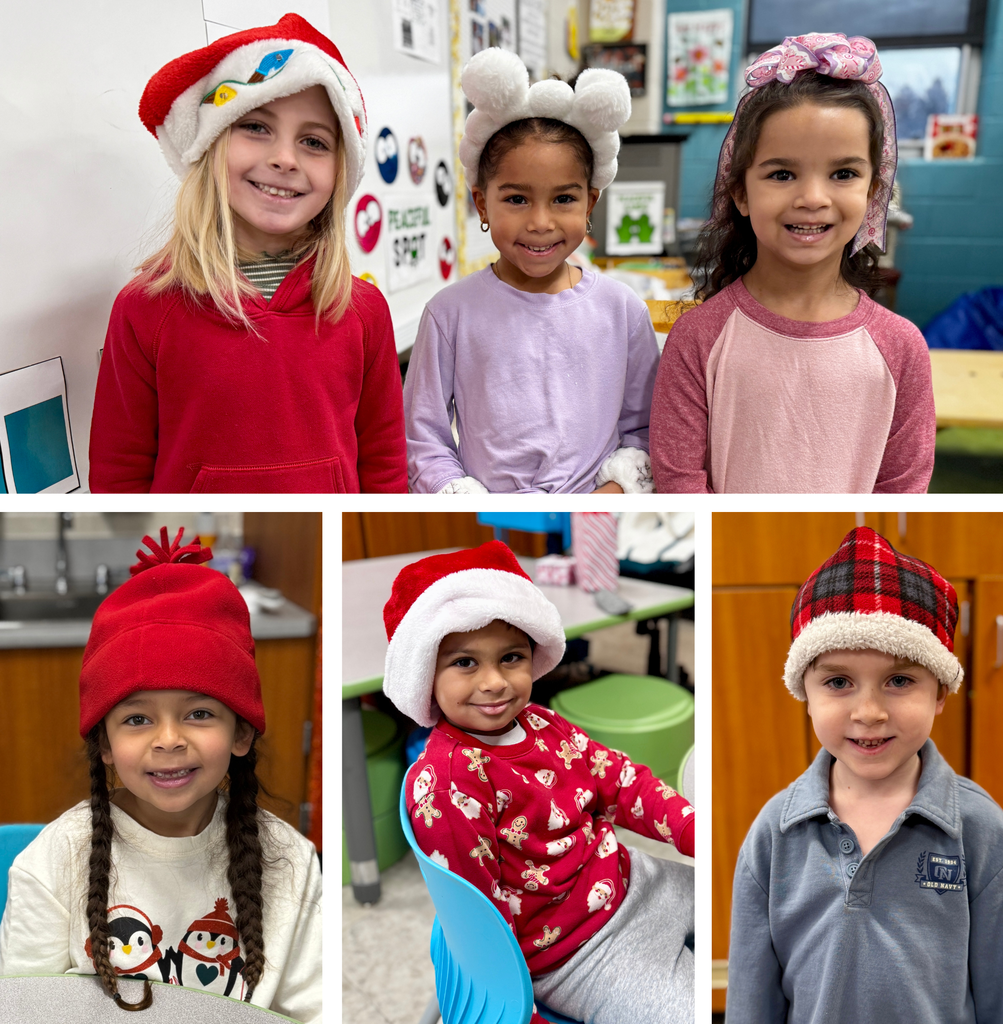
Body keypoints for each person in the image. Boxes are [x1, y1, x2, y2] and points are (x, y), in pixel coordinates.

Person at [0, 528, 321, 1020]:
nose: (169, 739)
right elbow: (21, 1008)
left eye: (199, 714)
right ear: (104, 743)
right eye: (137, 719)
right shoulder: (53, 864)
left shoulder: (292, 865)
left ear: (241, 735)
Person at [89, 15, 406, 493]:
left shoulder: (364, 310)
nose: (285, 158)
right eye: (256, 127)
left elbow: (384, 465)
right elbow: (119, 476)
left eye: (314, 141)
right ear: (212, 145)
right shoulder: (144, 308)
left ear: (341, 171)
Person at [384, 541, 695, 1023]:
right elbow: (479, 922)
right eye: (465, 662)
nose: (494, 682)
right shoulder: (448, 789)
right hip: (578, 956)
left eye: (511, 657)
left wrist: (692, 828)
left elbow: (620, 782)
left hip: (634, 881)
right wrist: (515, 1006)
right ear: (426, 674)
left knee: (748, 907)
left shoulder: (543, 723)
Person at [727, 527, 1003, 1023]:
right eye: (839, 682)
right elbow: (750, 1001)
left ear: (940, 693)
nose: (869, 711)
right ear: (805, 690)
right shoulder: (774, 833)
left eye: (900, 680)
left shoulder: (982, 831)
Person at [650, 34, 935, 493]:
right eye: (782, 174)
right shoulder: (698, 338)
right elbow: (679, 482)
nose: (813, 199)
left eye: (843, 174)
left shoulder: (901, 347)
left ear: (872, 191)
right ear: (740, 191)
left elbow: (903, 490)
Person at [403, 48, 660, 494]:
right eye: (517, 199)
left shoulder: (623, 312)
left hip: (597, 512)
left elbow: (647, 427)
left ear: (590, 203)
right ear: (482, 203)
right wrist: (460, 495)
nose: (541, 222)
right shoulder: (449, 314)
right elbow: (422, 438)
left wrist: (616, 492)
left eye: (563, 199)